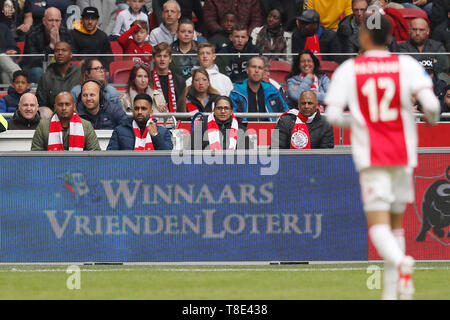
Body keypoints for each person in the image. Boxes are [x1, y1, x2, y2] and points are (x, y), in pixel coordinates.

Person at [325, 15, 440, 300]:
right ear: (390, 37)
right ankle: (393, 293)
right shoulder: (407, 65)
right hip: (403, 154)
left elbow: (332, 115)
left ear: (363, 37)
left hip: (373, 155)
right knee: (396, 223)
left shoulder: (350, 69)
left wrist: (361, 123)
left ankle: (401, 264)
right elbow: (433, 107)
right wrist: (431, 119)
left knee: (378, 225)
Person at [31, 91, 101, 151]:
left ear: (74, 107)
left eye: (67, 104)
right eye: (60, 105)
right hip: (50, 166)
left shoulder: (86, 126)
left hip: (80, 166)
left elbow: (95, 154)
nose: (64, 108)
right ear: (55, 107)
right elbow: (35, 154)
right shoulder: (43, 126)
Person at [21, 7, 73, 84]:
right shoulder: (32, 34)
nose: (54, 24)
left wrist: (59, 46)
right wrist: (51, 46)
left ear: (61, 21)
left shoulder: (66, 34)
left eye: (57, 20)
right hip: (37, 68)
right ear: (44, 21)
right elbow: (31, 61)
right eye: (50, 20)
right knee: (37, 71)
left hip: (60, 67)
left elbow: (71, 56)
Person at [230, 56, 289, 122]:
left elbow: (286, 113)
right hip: (244, 131)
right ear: (247, 70)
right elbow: (232, 118)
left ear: (263, 72)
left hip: (271, 130)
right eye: (253, 67)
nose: (256, 70)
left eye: (260, 68)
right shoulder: (236, 93)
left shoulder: (273, 91)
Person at [107, 93, 173, 150]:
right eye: (136, 108)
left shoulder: (163, 132)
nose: (139, 112)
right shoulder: (119, 131)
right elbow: (110, 158)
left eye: (143, 109)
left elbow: (168, 158)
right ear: (132, 111)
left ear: (151, 112)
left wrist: (156, 136)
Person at [35, 41, 81, 111]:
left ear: (71, 54)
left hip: (77, 115)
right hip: (53, 116)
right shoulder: (46, 76)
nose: (60, 53)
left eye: (64, 50)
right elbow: (41, 103)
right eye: (57, 50)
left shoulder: (79, 74)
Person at [151, 42, 186, 113]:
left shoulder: (179, 80)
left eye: (165, 56)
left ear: (170, 59)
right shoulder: (147, 78)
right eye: (158, 56)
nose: (162, 59)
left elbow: (182, 106)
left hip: (175, 119)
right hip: (153, 119)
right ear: (153, 59)